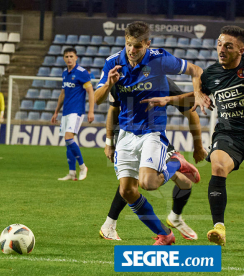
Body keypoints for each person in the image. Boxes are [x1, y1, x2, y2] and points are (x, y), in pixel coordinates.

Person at [142, 25, 244, 246]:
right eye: (219, 44)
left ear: (240, 49)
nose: (222, 49)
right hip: (229, 134)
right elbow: (196, 96)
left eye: (228, 46)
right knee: (218, 164)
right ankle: (219, 227)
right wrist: (168, 101)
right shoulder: (211, 74)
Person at [93, 21, 203, 245]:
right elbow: (96, 100)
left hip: (152, 131)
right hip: (126, 133)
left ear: (147, 43)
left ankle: (175, 163)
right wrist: (108, 84)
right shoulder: (113, 64)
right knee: (127, 191)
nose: (132, 51)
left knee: (149, 183)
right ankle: (165, 234)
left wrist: (198, 93)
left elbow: (196, 70)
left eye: (137, 46)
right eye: (128, 45)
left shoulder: (158, 59)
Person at [100, 78, 208, 241]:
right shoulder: (121, 79)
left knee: (184, 183)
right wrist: (109, 142)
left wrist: (198, 145)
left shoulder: (163, 82)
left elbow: (189, 110)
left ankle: (175, 217)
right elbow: (113, 110)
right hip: (128, 134)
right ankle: (109, 224)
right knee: (131, 183)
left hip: (152, 134)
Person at [51, 47, 95, 181]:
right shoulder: (65, 73)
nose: (69, 58)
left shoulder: (82, 73)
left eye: (71, 56)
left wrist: (91, 111)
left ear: (76, 58)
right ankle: (71, 173)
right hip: (66, 111)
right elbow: (63, 93)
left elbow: (91, 92)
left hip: (76, 111)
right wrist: (56, 111)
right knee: (67, 142)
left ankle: (83, 167)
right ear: (64, 58)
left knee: (69, 138)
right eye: (67, 56)